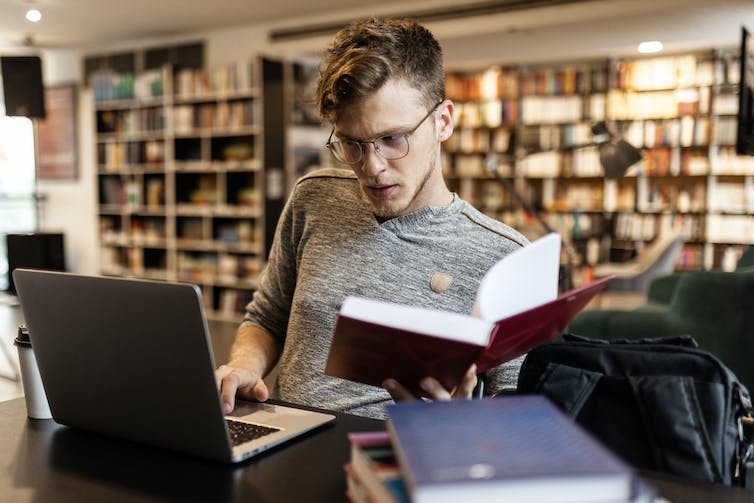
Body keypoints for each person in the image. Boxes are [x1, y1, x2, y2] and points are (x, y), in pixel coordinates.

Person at [216, 17, 529, 419]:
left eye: (392, 139)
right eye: (352, 144)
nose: (372, 166)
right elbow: (267, 316)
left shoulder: (503, 255)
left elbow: (514, 415)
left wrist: (463, 419)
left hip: (402, 460)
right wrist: (245, 364)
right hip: (285, 441)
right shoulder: (313, 197)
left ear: (443, 122)